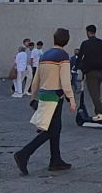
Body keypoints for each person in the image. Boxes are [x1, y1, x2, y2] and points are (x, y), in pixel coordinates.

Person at [13, 30, 78, 173]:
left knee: (54, 128)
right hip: (55, 96)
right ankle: (24, 154)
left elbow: (36, 78)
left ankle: (55, 159)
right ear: (66, 41)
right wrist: (72, 99)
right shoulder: (63, 56)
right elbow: (65, 81)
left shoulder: (45, 55)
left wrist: (33, 97)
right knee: (52, 130)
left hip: (44, 95)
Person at [75, 24, 102, 122]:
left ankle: (101, 113)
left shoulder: (86, 43)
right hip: (101, 71)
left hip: (91, 71)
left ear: (88, 32)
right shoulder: (101, 42)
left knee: (93, 93)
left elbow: (80, 56)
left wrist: (77, 67)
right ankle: (97, 112)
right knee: (97, 91)